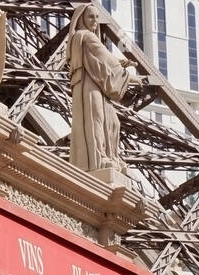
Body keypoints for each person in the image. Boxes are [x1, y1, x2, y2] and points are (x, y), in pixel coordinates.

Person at [67, 3, 138, 173]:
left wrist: (120, 64)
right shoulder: (86, 36)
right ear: (81, 19)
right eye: (91, 17)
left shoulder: (83, 37)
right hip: (90, 87)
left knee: (112, 121)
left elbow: (103, 58)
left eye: (97, 17)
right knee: (96, 120)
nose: (95, 21)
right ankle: (100, 158)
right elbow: (105, 59)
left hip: (97, 86)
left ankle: (110, 156)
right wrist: (130, 77)